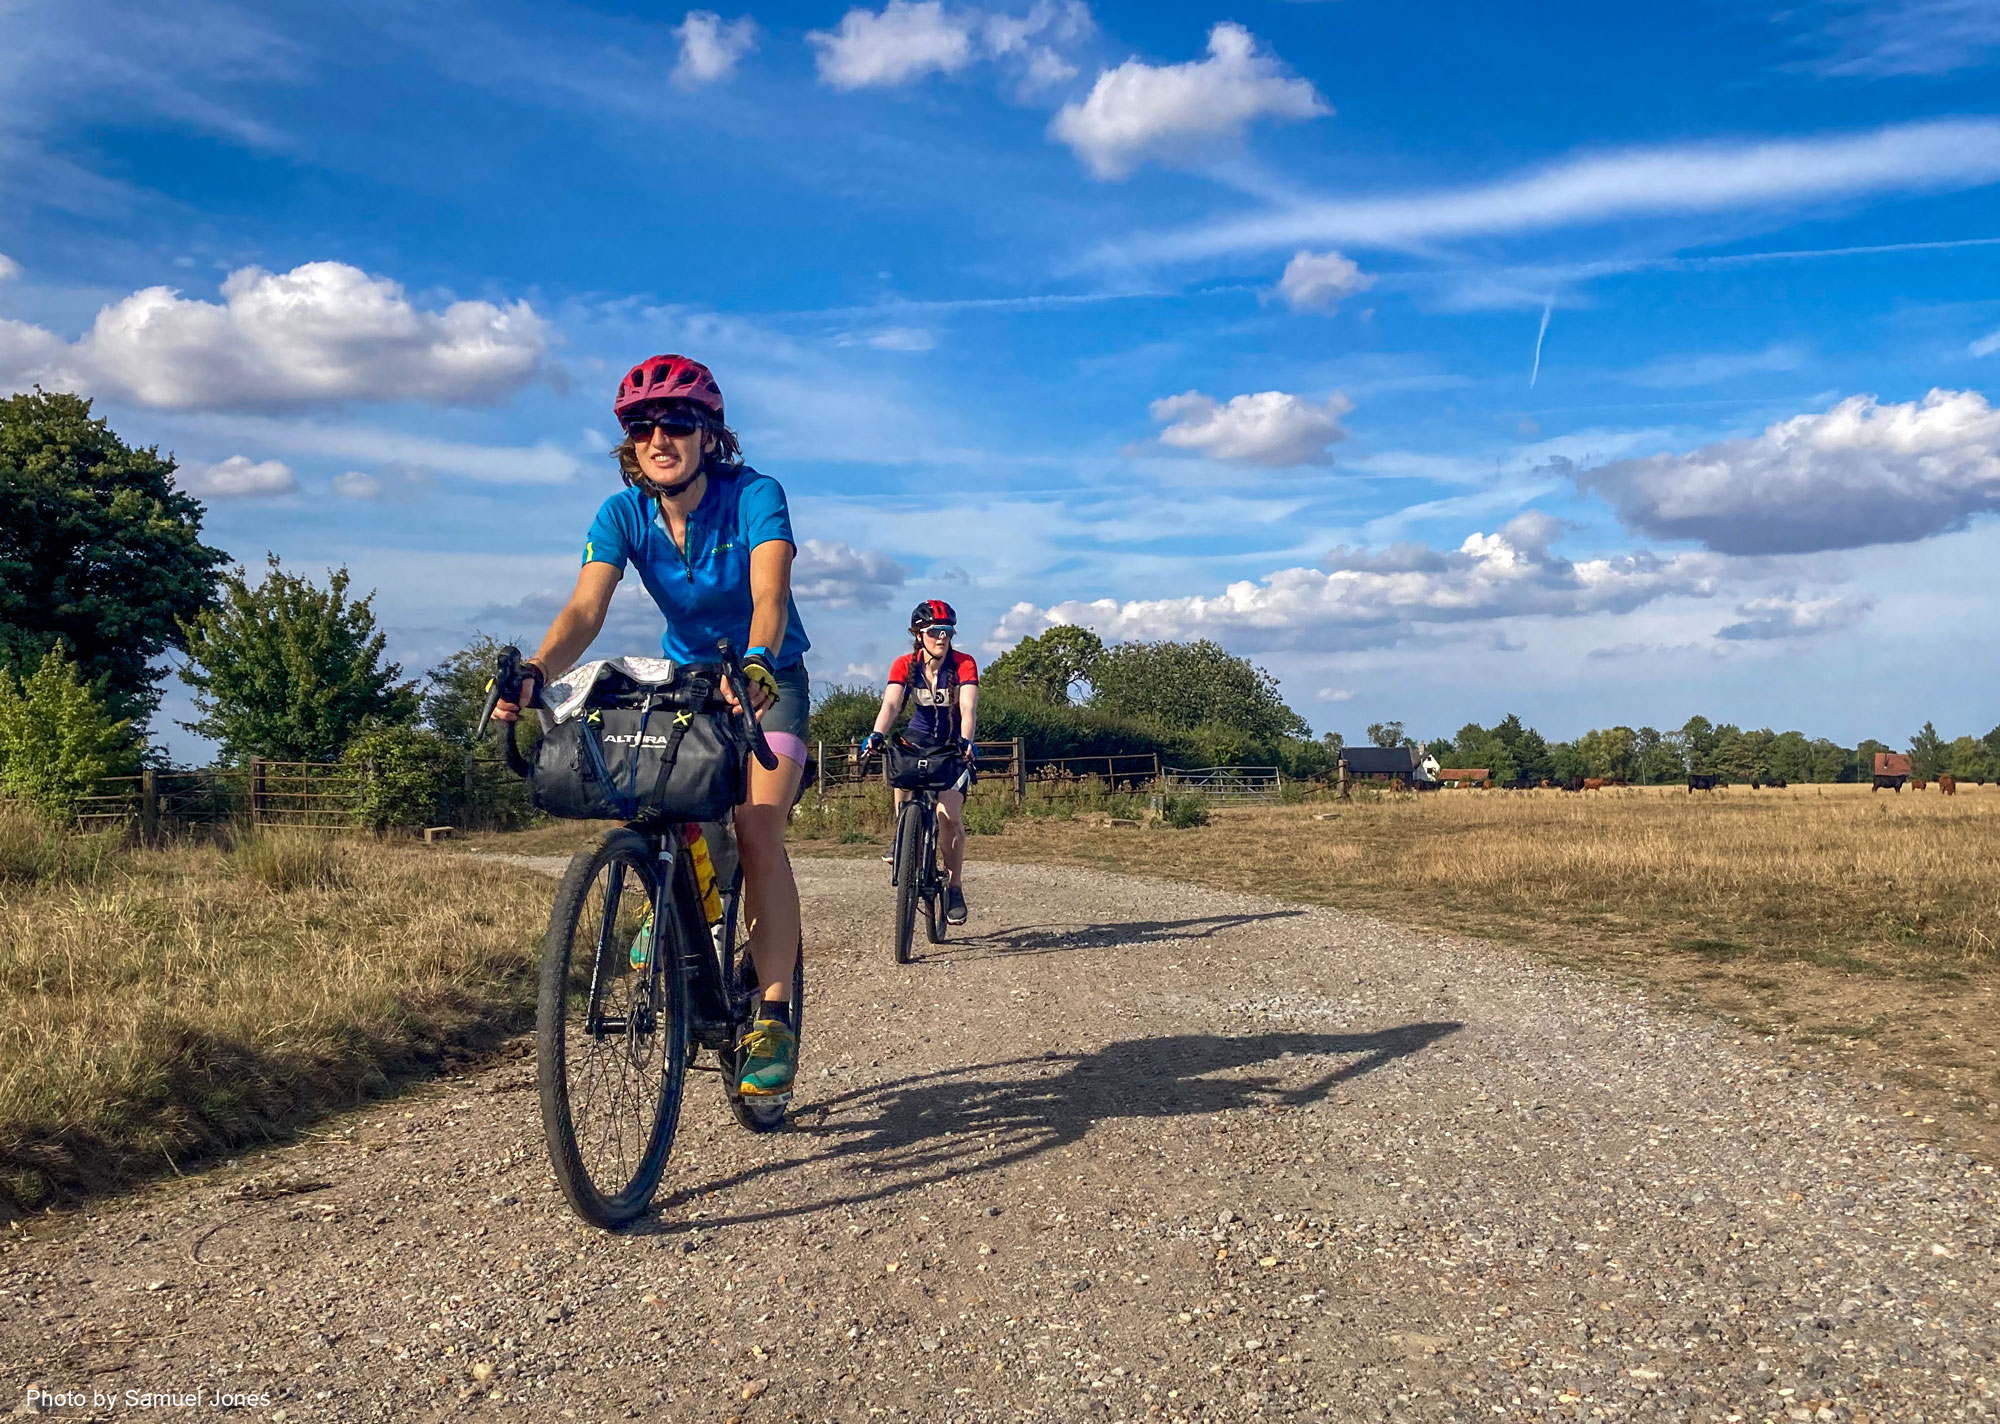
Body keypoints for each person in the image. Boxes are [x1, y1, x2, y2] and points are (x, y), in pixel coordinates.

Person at [493, 354, 809, 1101]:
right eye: (642, 426)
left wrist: (759, 663)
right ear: (628, 441)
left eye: (675, 423)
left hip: (769, 678)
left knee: (757, 828)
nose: (658, 437)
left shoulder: (755, 495)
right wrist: (537, 667)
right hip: (686, 684)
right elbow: (585, 610)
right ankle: (678, 898)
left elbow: (770, 591)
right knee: (661, 808)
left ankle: (771, 1015)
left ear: (709, 434)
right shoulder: (622, 513)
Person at [861, 599, 979, 925]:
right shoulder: (905, 664)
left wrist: (967, 741)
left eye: (948, 632)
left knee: (948, 816)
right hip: (919, 739)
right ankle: (902, 833)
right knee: (901, 767)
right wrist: (876, 734)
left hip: (952, 746)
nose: (942, 638)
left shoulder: (963, 663)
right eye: (934, 632)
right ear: (918, 634)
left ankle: (954, 887)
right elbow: (891, 704)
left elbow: (968, 708)